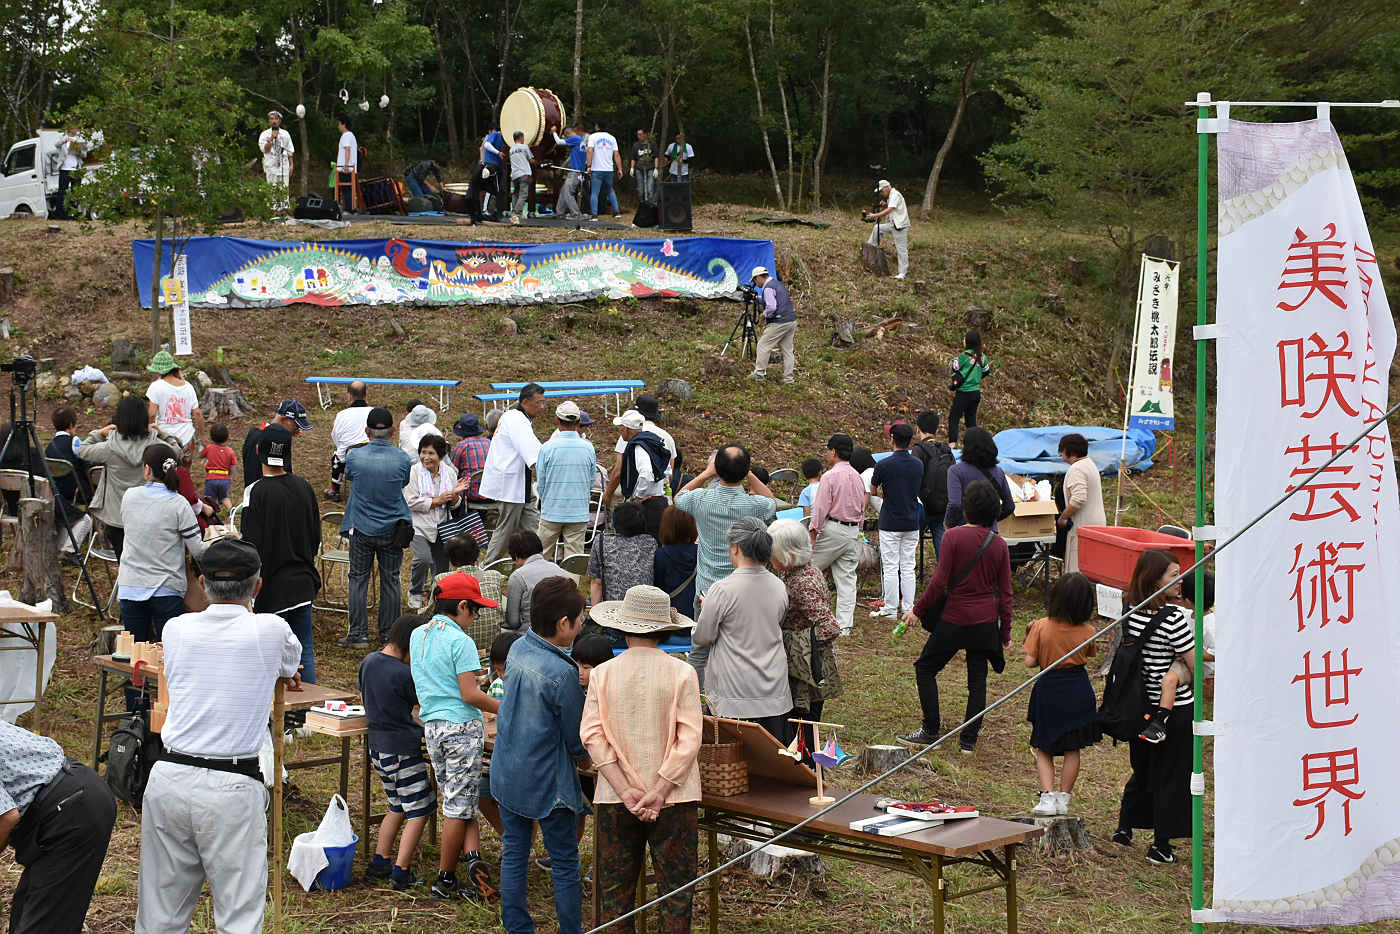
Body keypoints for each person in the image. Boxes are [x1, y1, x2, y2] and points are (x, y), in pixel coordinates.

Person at [134, 537, 302, 934]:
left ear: (202, 584)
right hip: (231, 785)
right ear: (257, 586)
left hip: (170, 776)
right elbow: (290, 662)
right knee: (239, 916)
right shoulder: (270, 628)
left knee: (159, 914)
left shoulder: (176, 628)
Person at [581, 584, 701, 934]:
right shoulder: (682, 673)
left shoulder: (602, 673)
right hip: (675, 797)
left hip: (615, 797)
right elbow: (689, 739)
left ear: (623, 628)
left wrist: (624, 789)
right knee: (676, 893)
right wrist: (660, 790)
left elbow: (592, 736)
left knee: (614, 895)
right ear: (664, 630)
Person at [492, 576, 590, 934]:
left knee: (515, 851)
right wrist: (586, 757)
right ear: (563, 624)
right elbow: (576, 738)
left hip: (508, 769)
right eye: (579, 620)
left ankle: (517, 926)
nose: (581, 625)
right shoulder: (562, 673)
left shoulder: (518, 648)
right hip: (547, 782)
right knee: (564, 862)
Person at [898, 480, 1012, 753]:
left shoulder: (953, 537)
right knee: (977, 681)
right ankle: (968, 741)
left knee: (925, 668)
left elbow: (939, 582)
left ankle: (930, 730)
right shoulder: (999, 544)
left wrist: (917, 611)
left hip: (954, 618)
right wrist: (1005, 632)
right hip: (984, 622)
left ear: (966, 508)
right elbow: (1006, 593)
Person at [409, 572, 501, 901]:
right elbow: (470, 694)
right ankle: (445, 879)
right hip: (461, 727)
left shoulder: (418, 634)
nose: (476, 617)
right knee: (457, 807)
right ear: (461, 606)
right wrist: (506, 708)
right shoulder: (461, 642)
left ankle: (473, 858)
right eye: (475, 610)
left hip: (433, 727)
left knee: (459, 799)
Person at [1113, 549, 1193, 864]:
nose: (1180, 580)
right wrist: (1181, 671)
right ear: (1155, 579)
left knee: (1143, 770)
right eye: (1174, 575)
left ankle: (1124, 827)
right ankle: (1161, 845)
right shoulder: (1173, 618)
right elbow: (1193, 664)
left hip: (1139, 707)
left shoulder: (1130, 610)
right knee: (1171, 776)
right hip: (1174, 710)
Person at [0, 719, 116, 934]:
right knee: (25, 917)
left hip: (71, 809)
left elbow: (6, 817)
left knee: (45, 925)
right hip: (67, 796)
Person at [674, 445, 777, 686]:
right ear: (745, 471)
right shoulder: (752, 505)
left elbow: (678, 498)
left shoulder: (701, 499)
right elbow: (772, 502)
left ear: (717, 469)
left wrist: (706, 474)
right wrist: (748, 474)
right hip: (742, 591)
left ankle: (697, 698)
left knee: (699, 652)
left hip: (706, 589)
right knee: (739, 648)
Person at [692, 517, 791, 738]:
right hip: (774, 689)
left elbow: (703, 636)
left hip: (734, 692)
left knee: (733, 756)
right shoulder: (779, 586)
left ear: (735, 548)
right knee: (772, 753)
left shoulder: (722, 589)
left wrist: (707, 608)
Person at [240, 425, 321, 693]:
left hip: (271, 586)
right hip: (303, 580)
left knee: (268, 650)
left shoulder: (255, 491)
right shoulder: (305, 487)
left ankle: (274, 708)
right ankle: (305, 709)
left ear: (257, 451)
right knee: (303, 648)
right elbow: (315, 537)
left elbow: (251, 546)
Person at [361, 612, 434, 890]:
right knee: (419, 809)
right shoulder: (404, 674)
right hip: (402, 750)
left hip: (378, 749)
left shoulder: (369, 662)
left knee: (397, 805)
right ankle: (401, 871)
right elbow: (422, 706)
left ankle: (380, 861)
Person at [1024, 572, 1101, 817]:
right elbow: (1089, 654)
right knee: (1072, 748)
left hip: (1050, 688)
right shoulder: (1089, 630)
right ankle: (1064, 798)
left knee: (1043, 746)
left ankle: (1047, 797)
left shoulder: (1040, 626)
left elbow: (1030, 662)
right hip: (1078, 688)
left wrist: (1031, 637)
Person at [767, 518, 842, 759]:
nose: (769, 557)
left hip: (807, 672)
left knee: (804, 732)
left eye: (772, 552)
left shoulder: (802, 583)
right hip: (806, 667)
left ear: (787, 554)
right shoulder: (803, 570)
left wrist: (796, 641)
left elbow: (830, 627)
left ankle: (809, 773)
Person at [117, 445, 206, 646]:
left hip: (131, 585)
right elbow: (198, 550)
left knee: (136, 654)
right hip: (167, 589)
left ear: (147, 469)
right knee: (168, 652)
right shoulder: (179, 503)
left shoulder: (129, 496)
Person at [341, 406, 413, 647]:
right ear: (393, 431)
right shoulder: (402, 459)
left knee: (358, 579)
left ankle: (358, 633)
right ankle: (389, 633)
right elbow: (403, 482)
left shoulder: (354, 456)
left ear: (367, 432)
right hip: (392, 528)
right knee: (391, 580)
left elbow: (349, 476)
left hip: (361, 526)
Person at [80, 396, 181, 557]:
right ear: (144, 419)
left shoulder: (109, 448)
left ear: (119, 419)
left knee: (123, 560)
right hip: (148, 516)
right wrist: (163, 435)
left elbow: (83, 450)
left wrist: (98, 433)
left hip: (116, 517)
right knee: (147, 559)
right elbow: (176, 452)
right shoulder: (155, 447)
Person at [808, 433, 866, 637]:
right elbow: (862, 507)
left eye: (828, 449)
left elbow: (821, 507)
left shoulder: (829, 477)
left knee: (808, 570)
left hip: (833, 529)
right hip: (853, 531)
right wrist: (859, 530)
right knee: (847, 579)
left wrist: (813, 531)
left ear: (833, 452)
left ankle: (807, 616)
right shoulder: (857, 476)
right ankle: (844, 626)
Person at [480, 384, 545, 565]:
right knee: (505, 529)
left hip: (520, 483)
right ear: (525, 402)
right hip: (511, 485)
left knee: (532, 526)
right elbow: (534, 453)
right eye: (539, 403)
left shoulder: (515, 417)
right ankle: (487, 567)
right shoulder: (517, 420)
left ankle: (536, 564)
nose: (542, 407)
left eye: (543, 403)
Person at [404, 434, 466, 610]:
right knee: (423, 559)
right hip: (419, 525)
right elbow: (410, 502)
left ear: (441, 455)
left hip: (443, 526)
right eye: (423, 452)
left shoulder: (450, 473)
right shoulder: (414, 472)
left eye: (431, 453)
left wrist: (454, 496)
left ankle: (435, 597)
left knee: (442, 568)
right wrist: (438, 500)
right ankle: (415, 591)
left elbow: (455, 505)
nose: (426, 457)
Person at [870, 423, 924, 621]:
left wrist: (884, 493)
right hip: (912, 520)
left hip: (890, 521)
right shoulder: (918, 464)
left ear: (892, 439)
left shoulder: (883, 464)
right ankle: (909, 607)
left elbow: (873, 490)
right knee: (908, 566)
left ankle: (891, 609)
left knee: (891, 567)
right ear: (910, 440)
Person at [589, 502, 657, 644]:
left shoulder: (601, 542)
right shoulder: (651, 543)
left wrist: (596, 618)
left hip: (612, 623)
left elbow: (597, 583)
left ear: (615, 523)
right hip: (645, 624)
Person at [536, 401, 597, 558]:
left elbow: (541, 483)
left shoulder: (547, 448)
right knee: (574, 559)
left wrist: (548, 500)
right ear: (578, 421)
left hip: (552, 510)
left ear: (557, 420)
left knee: (540, 555)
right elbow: (591, 481)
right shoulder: (588, 448)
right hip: (578, 511)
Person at [437, 533, 505, 648]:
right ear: (477, 555)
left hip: (455, 648)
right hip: (491, 648)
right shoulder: (495, 576)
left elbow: (429, 614)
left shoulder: (442, 579)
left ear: (451, 559)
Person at [944, 427, 1015, 531]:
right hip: (990, 534)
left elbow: (955, 504)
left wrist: (948, 524)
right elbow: (1009, 506)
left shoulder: (955, 471)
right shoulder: (998, 472)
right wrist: (992, 520)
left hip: (963, 532)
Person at [607, 410, 671, 526]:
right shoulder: (652, 441)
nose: (620, 431)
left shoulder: (639, 447)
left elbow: (646, 474)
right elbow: (667, 470)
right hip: (659, 501)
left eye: (621, 428)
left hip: (647, 506)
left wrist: (639, 497)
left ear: (626, 429)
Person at [1058, 432, 1105, 573]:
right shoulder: (1089, 464)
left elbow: (1078, 499)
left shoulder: (1077, 469)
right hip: (1095, 523)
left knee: (1078, 567)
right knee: (1091, 566)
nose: (1061, 455)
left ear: (1071, 452)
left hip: (1083, 525)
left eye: (1062, 451)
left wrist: (1063, 517)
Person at [503, 530, 566, 634]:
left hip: (530, 633)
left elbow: (513, 622)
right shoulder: (559, 570)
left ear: (515, 555)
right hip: (559, 631)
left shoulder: (517, 577)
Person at [910, 411, 953, 556]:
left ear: (918, 429)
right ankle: (945, 569)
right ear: (936, 429)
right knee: (942, 548)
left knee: (908, 545)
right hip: (942, 506)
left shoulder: (918, 450)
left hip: (922, 507)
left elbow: (913, 478)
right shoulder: (946, 450)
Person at [242, 399, 313, 486]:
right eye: (296, 426)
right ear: (284, 419)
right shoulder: (270, 443)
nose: (298, 430)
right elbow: (280, 473)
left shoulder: (256, 434)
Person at [145, 350, 205, 451]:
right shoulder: (188, 386)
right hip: (187, 437)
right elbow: (197, 413)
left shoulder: (155, 386)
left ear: (159, 371)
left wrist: (148, 432)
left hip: (164, 438)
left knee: (166, 462)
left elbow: (152, 414)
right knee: (185, 462)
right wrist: (202, 436)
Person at [747, 266, 798, 384]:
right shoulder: (777, 284)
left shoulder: (768, 288)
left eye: (755, 280)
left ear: (758, 277)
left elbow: (771, 307)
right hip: (791, 320)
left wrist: (763, 315)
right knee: (787, 350)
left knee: (763, 345)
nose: (755, 283)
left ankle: (759, 374)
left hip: (779, 322)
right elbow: (773, 300)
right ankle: (788, 379)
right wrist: (756, 298)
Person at [326, 380, 371, 501]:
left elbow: (336, 437)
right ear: (366, 395)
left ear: (349, 396)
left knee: (338, 455)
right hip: (373, 453)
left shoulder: (342, 415)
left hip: (349, 457)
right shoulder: (374, 412)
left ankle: (334, 490)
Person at [653, 505, 698, 617]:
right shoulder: (701, 553)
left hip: (670, 616)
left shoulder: (660, 555)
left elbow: (658, 588)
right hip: (695, 614)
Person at [948, 329, 992, 443]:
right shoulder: (982, 357)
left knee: (954, 418)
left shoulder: (963, 356)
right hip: (975, 393)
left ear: (968, 341)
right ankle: (974, 445)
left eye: (964, 339)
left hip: (963, 393)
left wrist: (954, 360)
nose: (963, 340)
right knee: (971, 421)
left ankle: (952, 445)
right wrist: (975, 378)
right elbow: (986, 371)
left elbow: (955, 368)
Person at [864, 179, 910, 279]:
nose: (881, 193)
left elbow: (890, 210)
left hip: (900, 226)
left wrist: (875, 215)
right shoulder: (890, 196)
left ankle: (902, 273)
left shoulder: (895, 194)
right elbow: (893, 208)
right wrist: (886, 205)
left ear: (887, 187)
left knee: (901, 249)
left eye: (881, 191)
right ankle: (870, 248)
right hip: (893, 224)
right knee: (877, 228)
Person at [449, 412, 492, 509]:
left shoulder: (462, 446)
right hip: (492, 492)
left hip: (471, 494)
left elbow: (453, 470)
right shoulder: (489, 443)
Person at [586, 120, 622, 219]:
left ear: (597, 126)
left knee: (595, 193)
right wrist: (620, 169)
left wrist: (589, 165)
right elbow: (616, 154)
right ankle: (616, 212)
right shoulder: (612, 138)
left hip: (596, 169)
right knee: (610, 191)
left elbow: (590, 150)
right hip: (609, 169)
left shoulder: (592, 137)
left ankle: (594, 215)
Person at [258, 110, 295, 207]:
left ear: (279, 121)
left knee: (284, 190)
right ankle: (273, 211)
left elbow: (290, 150)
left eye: (276, 119)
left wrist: (291, 165)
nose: (274, 121)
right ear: (269, 121)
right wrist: (271, 138)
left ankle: (284, 211)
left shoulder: (285, 134)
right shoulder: (264, 134)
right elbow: (265, 150)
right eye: (271, 119)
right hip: (271, 166)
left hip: (284, 165)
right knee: (272, 190)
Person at [198, 423, 236, 512]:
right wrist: (230, 477)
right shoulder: (230, 451)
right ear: (227, 437)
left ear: (211, 437)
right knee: (224, 497)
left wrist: (202, 445)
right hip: (225, 479)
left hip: (211, 478)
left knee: (210, 499)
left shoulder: (209, 448)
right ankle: (231, 509)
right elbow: (233, 467)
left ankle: (213, 513)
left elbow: (200, 455)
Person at [54, 124, 88, 220]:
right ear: (70, 129)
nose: (77, 130)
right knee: (62, 192)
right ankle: (60, 215)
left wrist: (79, 151)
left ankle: (74, 214)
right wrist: (66, 139)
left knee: (75, 193)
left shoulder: (79, 139)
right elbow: (56, 145)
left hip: (76, 170)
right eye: (75, 128)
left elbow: (85, 155)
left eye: (77, 128)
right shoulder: (63, 137)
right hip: (64, 169)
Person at [554, 124, 588, 218]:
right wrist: (562, 167)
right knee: (564, 190)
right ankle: (560, 213)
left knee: (568, 192)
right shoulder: (580, 141)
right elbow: (570, 158)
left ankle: (576, 214)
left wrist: (554, 132)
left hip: (575, 172)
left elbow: (559, 142)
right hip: (578, 172)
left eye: (566, 137)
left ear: (567, 134)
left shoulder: (576, 138)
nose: (566, 139)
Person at [486, 629, 523, 699]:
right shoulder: (497, 687)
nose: (503, 676)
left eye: (507, 670)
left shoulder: (531, 687)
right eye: (498, 669)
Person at [508, 131, 533, 223]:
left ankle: (513, 213)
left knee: (515, 194)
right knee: (523, 195)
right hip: (524, 173)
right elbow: (531, 160)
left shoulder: (511, 150)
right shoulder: (525, 147)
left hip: (514, 175)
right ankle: (517, 214)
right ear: (521, 138)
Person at [336, 116, 359, 213]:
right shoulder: (350, 135)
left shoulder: (346, 135)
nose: (338, 126)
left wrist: (346, 165)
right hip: (349, 167)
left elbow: (347, 150)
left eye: (339, 124)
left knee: (347, 189)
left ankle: (350, 210)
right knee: (347, 189)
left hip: (346, 168)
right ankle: (350, 209)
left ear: (343, 124)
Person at [628, 129, 656, 204]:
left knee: (650, 189)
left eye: (640, 134)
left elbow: (656, 157)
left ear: (645, 134)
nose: (639, 136)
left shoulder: (651, 144)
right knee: (640, 190)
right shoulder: (635, 146)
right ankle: (642, 204)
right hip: (639, 169)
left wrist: (656, 168)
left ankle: (651, 205)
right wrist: (632, 168)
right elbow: (633, 158)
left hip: (650, 168)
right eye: (638, 134)